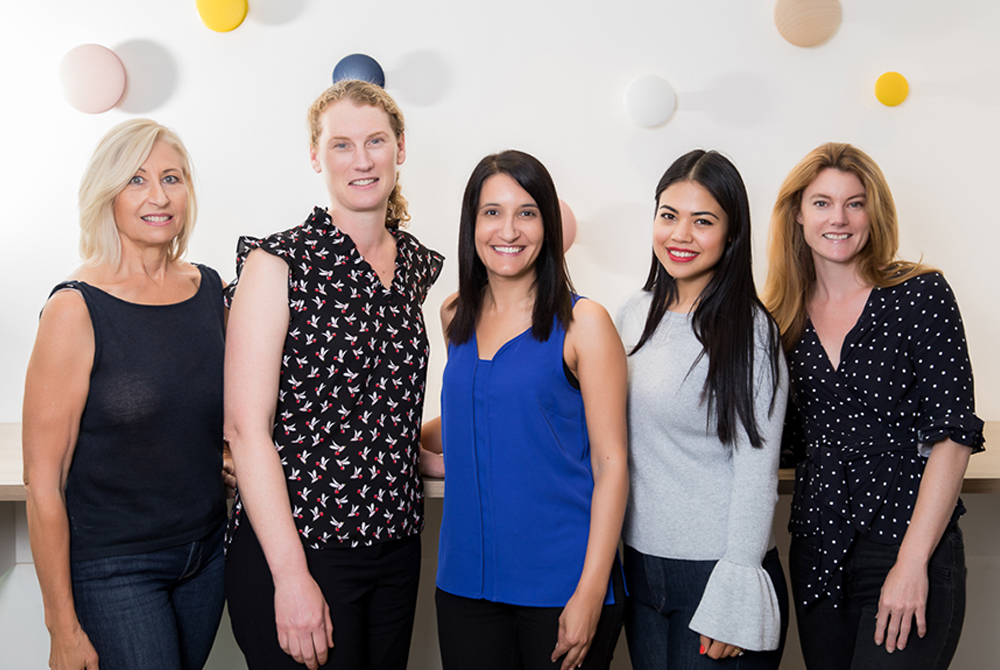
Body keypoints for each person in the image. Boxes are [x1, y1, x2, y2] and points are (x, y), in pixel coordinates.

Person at [223, 79, 443, 670]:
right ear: (316, 156)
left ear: (400, 147)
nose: (362, 159)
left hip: (396, 545)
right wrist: (292, 579)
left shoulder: (416, 265)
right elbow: (247, 430)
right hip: (301, 546)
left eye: (375, 141)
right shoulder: (277, 263)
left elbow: (372, 399)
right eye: (341, 145)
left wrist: (415, 452)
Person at [763, 142, 984, 670]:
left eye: (854, 203)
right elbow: (783, 438)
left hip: (909, 540)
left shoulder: (920, 293)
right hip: (819, 546)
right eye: (821, 203)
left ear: (873, 212)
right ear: (797, 214)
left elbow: (952, 436)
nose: (838, 218)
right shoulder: (780, 318)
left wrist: (912, 564)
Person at [22, 119, 229, 670]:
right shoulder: (75, 307)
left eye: (172, 177)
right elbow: (42, 482)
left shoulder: (210, 289)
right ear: (107, 194)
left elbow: (212, 406)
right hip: (114, 568)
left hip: (206, 555)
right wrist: (60, 627)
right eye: (136, 180)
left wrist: (228, 454)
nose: (158, 196)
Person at [426, 150, 629, 670]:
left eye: (527, 212)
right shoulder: (455, 316)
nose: (508, 230)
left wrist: (589, 593)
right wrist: (414, 448)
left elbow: (612, 465)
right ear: (472, 223)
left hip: (561, 586)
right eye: (492, 212)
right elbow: (492, 408)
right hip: (465, 584)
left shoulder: (586, 324)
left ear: (549, 225)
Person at [616, 149, 789, 669]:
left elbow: (757, 472)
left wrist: (734, 589)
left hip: (717, 572)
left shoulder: (751, 332)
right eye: (668, 215)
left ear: (732, 234)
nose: (680, 235)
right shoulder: (632, 314)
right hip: (642, 570)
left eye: (703, 221)